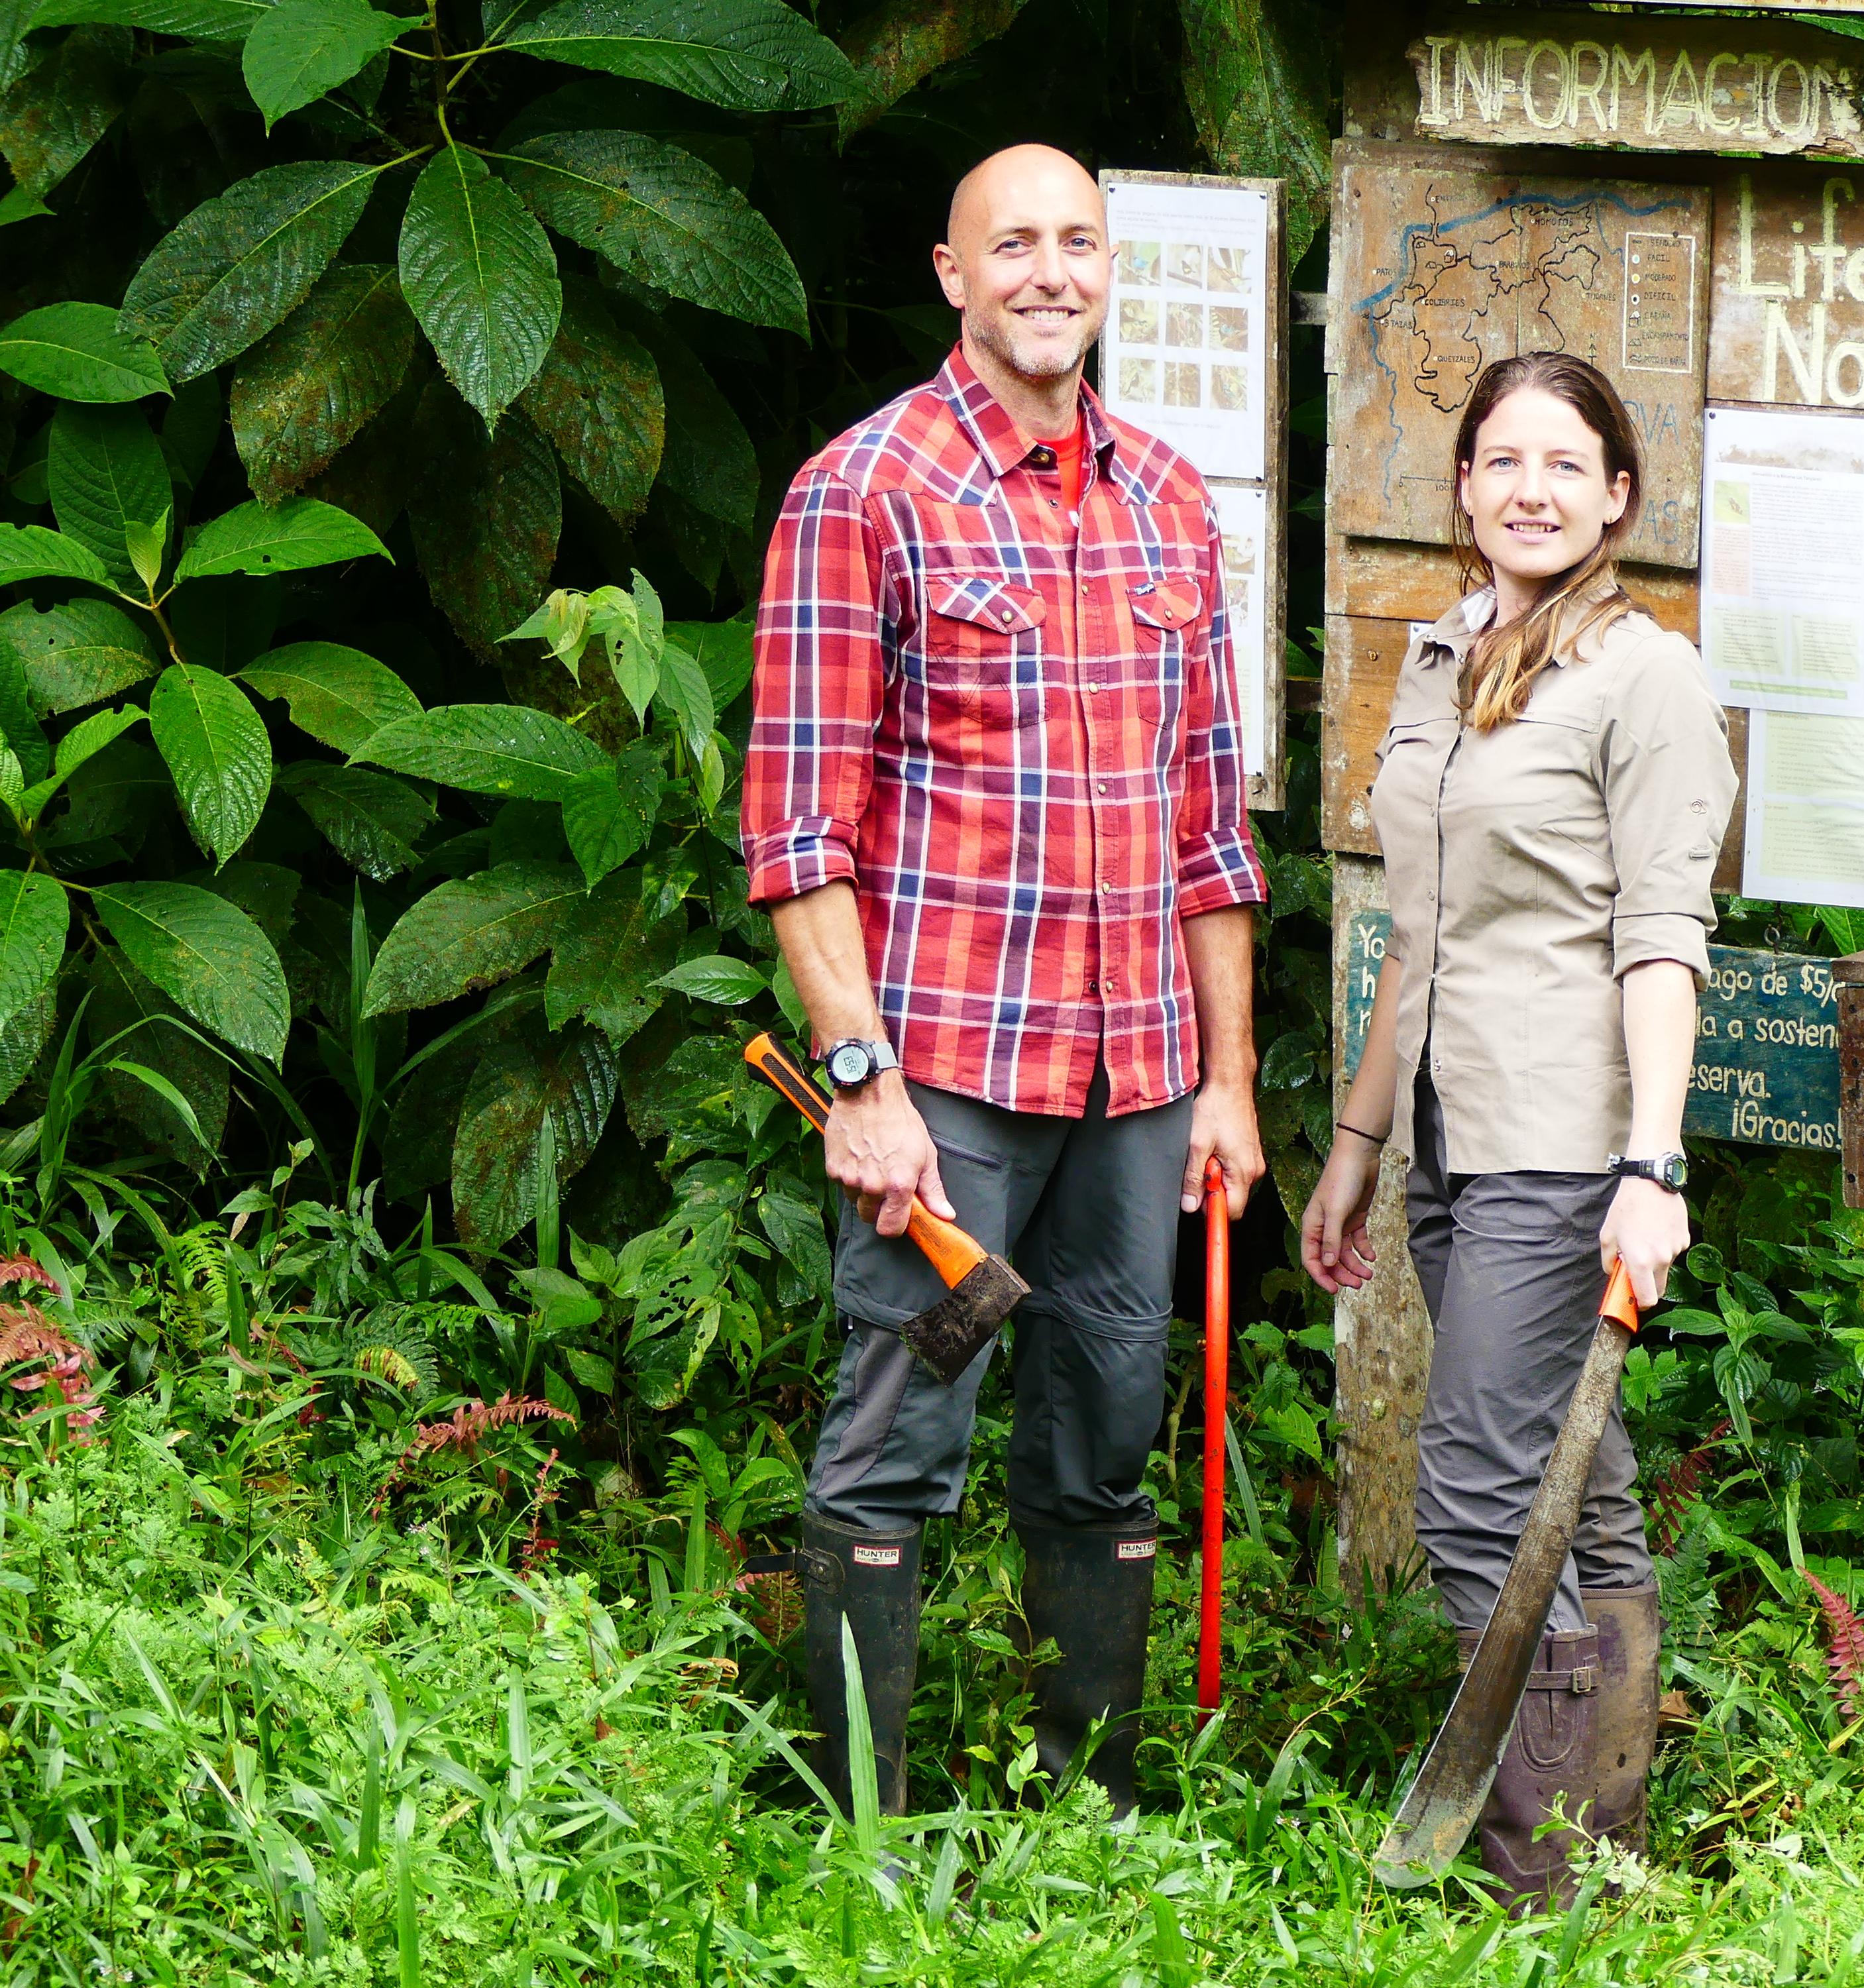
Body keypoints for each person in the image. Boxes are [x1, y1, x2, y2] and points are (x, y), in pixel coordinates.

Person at [741, 142, 1266, 1819]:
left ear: (1109, 269)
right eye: (1014, 243)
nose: (1050, 271)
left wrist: (1229, 1083)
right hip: (948, 1077)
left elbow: (1209, 834)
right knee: (898, 1435)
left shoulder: (1167, 498)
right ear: (952, 274)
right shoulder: (864, 489)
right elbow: (798, 834)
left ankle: (1088, 1813)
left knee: (1105, 1436)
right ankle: (856, 1834)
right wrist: (858, 1085)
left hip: (1136, 1077)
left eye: (1078, 242)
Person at [1299, 351, 1735, 1908]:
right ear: (1463, 487)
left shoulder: (1645, 679)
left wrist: (1650, 1167)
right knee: (1578, 1480)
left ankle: (1532, 1873)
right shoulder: (1440, 657)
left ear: (1617, 498)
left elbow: (1662, 939)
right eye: (1501, 460)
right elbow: (1415, 933)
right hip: (1447, 1125)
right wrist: (1358, 1144)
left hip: (1561, 1139)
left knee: (1480, 1486)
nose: (1529, 490)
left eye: (1564, 465)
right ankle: (1600, 1840)